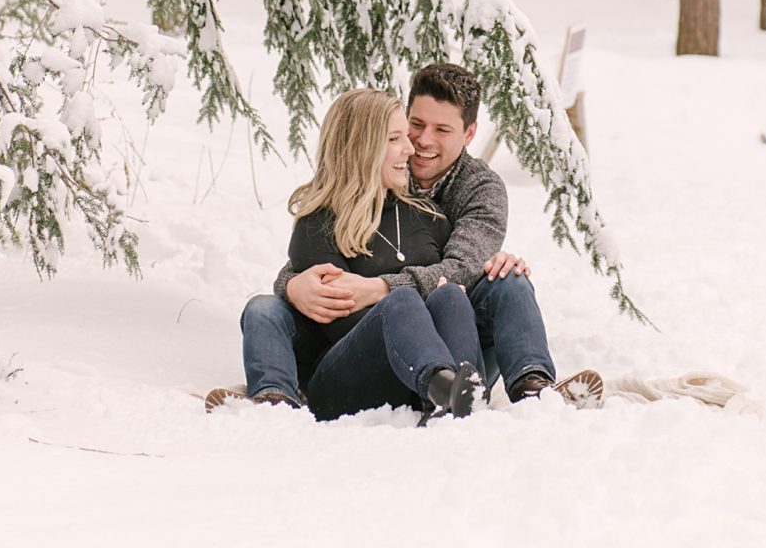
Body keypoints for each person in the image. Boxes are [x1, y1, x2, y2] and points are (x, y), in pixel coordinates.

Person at [231, 62, 602, 410]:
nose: (419, 143)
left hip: (454, 333)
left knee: (506, 280)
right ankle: (275, 397)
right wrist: (292, 285)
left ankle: (532, 389)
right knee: (264, 308)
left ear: (469, 134)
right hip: (361, 355)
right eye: (413, 127)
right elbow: (316, 255)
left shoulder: (473, 192)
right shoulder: (355, 195)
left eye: (442, 130)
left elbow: (459, 270)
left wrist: (382, 289)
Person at [269, 87, 484, 422]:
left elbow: (460, 275)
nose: (410, 148)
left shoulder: (424, 215)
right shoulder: (318, 225)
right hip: (342, 384)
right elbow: (340, 324)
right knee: (402, 301)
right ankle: (442, 388)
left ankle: (458, 398)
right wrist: (399, 299)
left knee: (450, 297)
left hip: (409, 381)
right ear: (362, 147)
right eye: (395, 138)